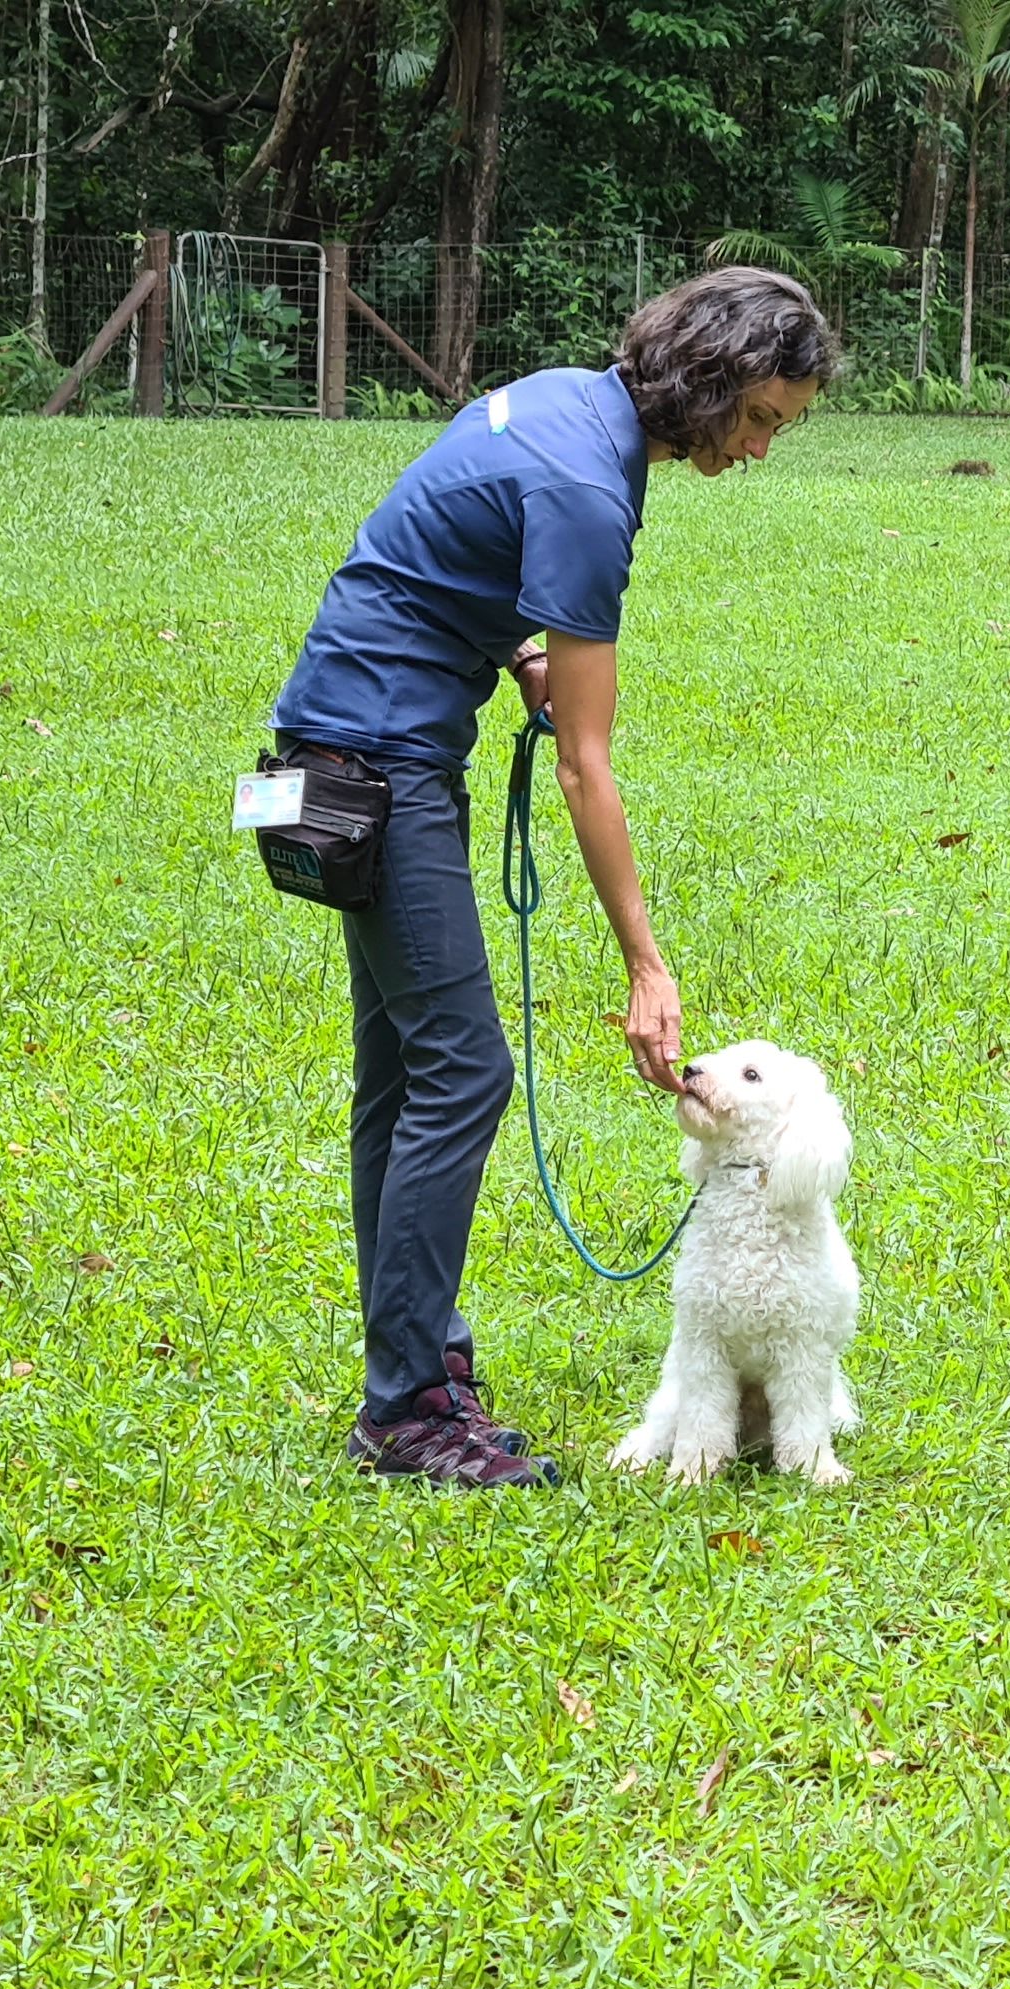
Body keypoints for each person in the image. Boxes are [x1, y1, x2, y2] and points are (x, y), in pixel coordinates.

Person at [269, 266, 842, 1488]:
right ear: (712, 379)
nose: (758, 450)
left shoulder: (567, 401)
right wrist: (646, 960)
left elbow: (439, 556)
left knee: (406, 1075)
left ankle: (415, 1360)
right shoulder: (591, 487)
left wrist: (514, 649)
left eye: (778, 431)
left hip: (333, 742)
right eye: (760, 420)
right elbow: (588, 766)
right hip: (379, 765)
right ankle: (408, 1408)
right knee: (463, 1074)